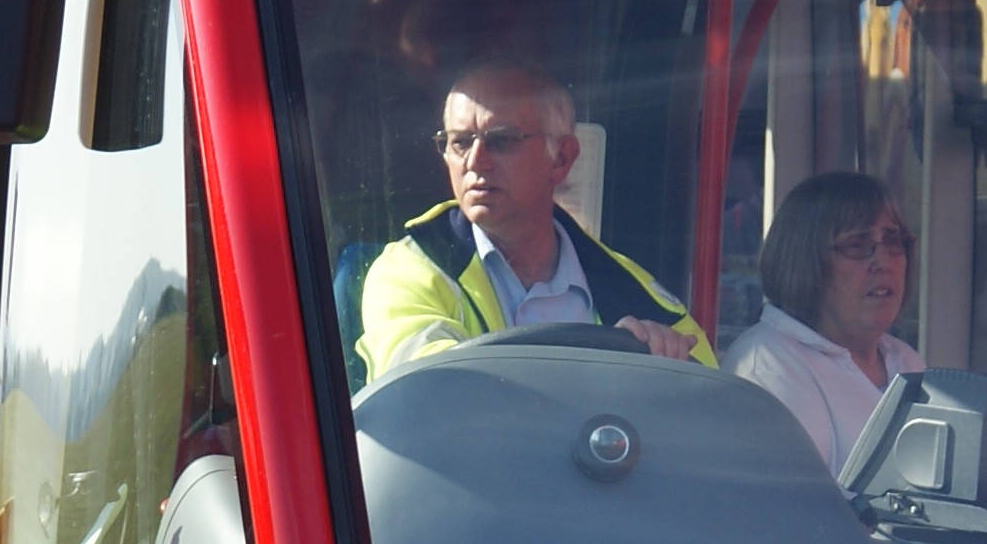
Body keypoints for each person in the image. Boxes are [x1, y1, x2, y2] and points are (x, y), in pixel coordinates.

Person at [354, 62, 711, 382]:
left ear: (562, 158)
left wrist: (667, 360)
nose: (476, 161)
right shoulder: (410, 271)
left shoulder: (640, 296)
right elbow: (423, 390)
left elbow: (717, 406)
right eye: (460, 142)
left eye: (502, 140)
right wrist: (612, 371)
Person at [726, 171, 922, 468]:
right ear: (805, 261)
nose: (884, 262)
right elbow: (800, 507)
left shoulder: (905, 359)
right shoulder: (768, 364)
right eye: (857, 244)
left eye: (893, 240)